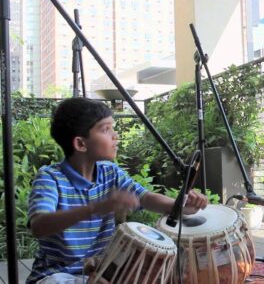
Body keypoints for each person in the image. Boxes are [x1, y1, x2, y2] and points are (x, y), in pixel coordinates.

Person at [26, 97, 208, 283]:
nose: (115, 135)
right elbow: (39, 226)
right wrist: (95, 208)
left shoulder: (109, 172)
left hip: (99, 273)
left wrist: (180, 205)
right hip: (57, 276)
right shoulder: (50, 178)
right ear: (80, 144)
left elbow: (145, 198)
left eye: (112, 128)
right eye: (105, 129)